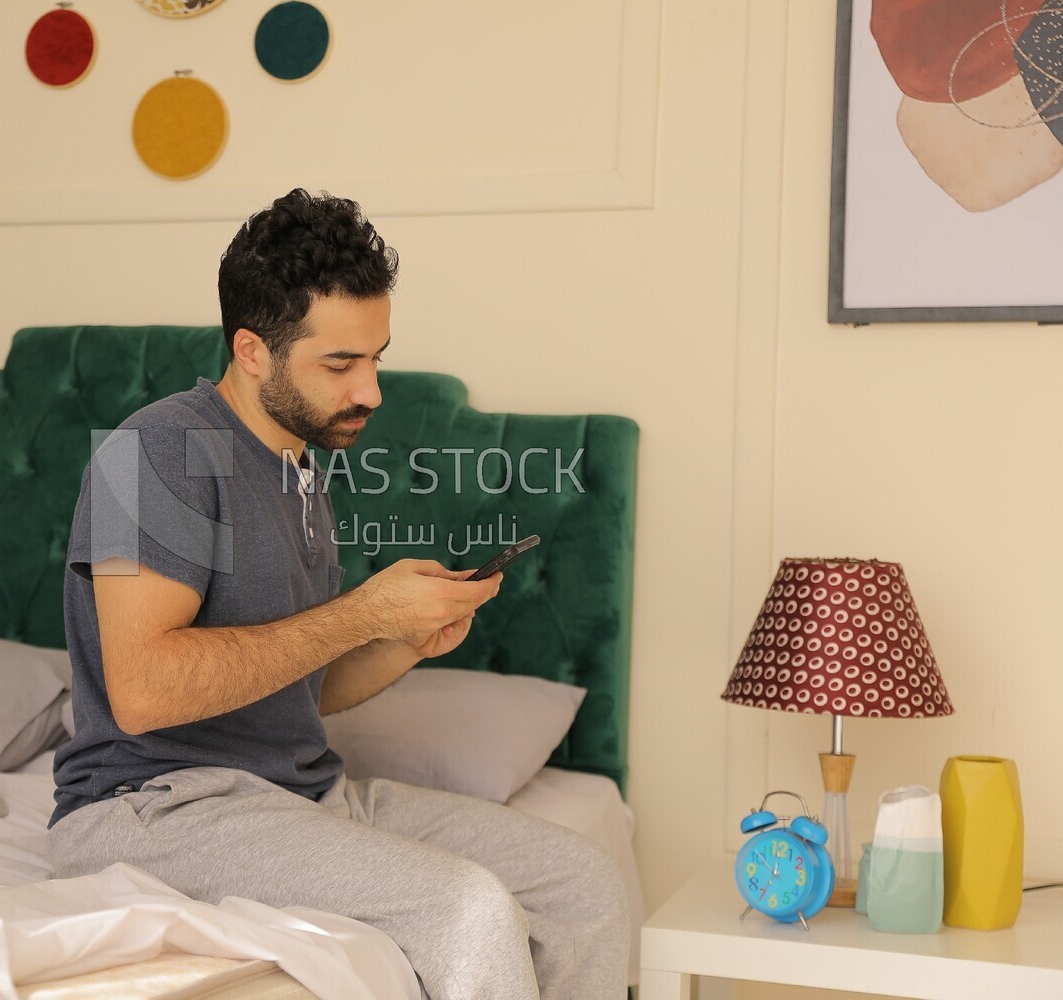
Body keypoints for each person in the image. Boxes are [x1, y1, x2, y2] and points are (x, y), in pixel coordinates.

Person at [49, 189, 629, 1000]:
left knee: (584, 883)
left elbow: (303, 682)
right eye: (340, 364)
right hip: (157, 809)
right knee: (468, 910)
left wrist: (403, 639)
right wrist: (365, 611)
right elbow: (142, 692)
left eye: (375, 357)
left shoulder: (301, 470)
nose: (371, 392)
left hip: (305, 796)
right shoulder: (155, 452)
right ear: (252, 350)